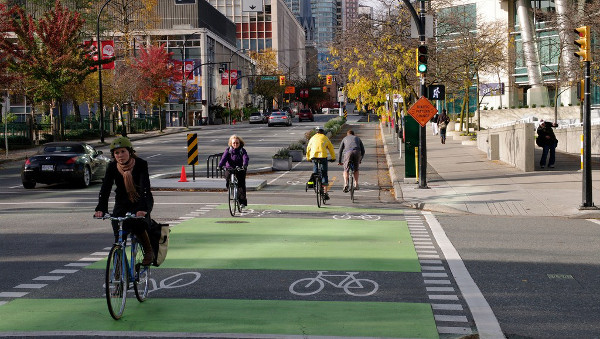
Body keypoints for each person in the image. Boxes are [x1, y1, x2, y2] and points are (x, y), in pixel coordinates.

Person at [95, 136, 154, 266]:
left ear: (130, 152)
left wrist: (142, 208)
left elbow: (145, 187)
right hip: (122, 201)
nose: (120, 155)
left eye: (123, 151)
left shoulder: (140, 164)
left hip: (141, 200)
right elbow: (105, 188)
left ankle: (149, 251)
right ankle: (119, 267)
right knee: (118, 228)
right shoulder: (112, 167)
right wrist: (101, 208)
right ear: (113, 155)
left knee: (137, 224)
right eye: (116, 153)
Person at [218, 135, 249, 208]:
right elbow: (223, 158)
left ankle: (242, 202)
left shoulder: (242, 150)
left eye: (237, 143)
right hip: (230, 168)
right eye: (234, 143)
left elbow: (245, 158)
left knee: (241, 184)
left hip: (239, 168)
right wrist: (220, 165)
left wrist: (245, 165)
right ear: (231, 143)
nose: (235, 144)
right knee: (227, 176)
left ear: (240, 143)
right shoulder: (228, 150)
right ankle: (230, 187)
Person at [306, 126, 336, 200]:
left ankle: (315, 178)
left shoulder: (312, 138)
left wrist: (308, 158)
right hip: (323, 156)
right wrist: (333, 158)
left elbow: (308, 148)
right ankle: (325, 192)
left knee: (315, 167)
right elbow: (331, 148)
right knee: (324, 173)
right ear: (323, 131)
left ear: (316, 132)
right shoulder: (325, 138)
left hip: (314, 156)